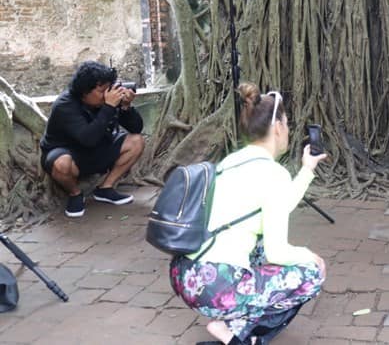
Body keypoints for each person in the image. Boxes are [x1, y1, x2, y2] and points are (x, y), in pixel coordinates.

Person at [170, 83, 327, 345]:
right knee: (311, 272)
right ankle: (238, 335)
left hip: (184, 274)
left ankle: (231, 325)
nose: (287, 130)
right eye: (286, 123)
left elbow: (278, 206)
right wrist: (310, 256)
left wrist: (307, 169)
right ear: (277, 127)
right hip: (214, 286)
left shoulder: (230, 161)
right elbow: (278, 253)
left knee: (261, 245)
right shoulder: (273, 174)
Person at [40, 61, 145, 217]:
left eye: (108, 88)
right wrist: (109, 107)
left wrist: (125, 107)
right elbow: (87, 138)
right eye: (101, 90)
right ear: (84, 92)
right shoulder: (65, 105)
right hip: (69, 155)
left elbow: (136, 128)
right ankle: (75, 194)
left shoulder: (107, 100)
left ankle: (105, 188)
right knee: (62, 163)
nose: (107, 94)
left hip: (98, 149)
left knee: (137, 141)